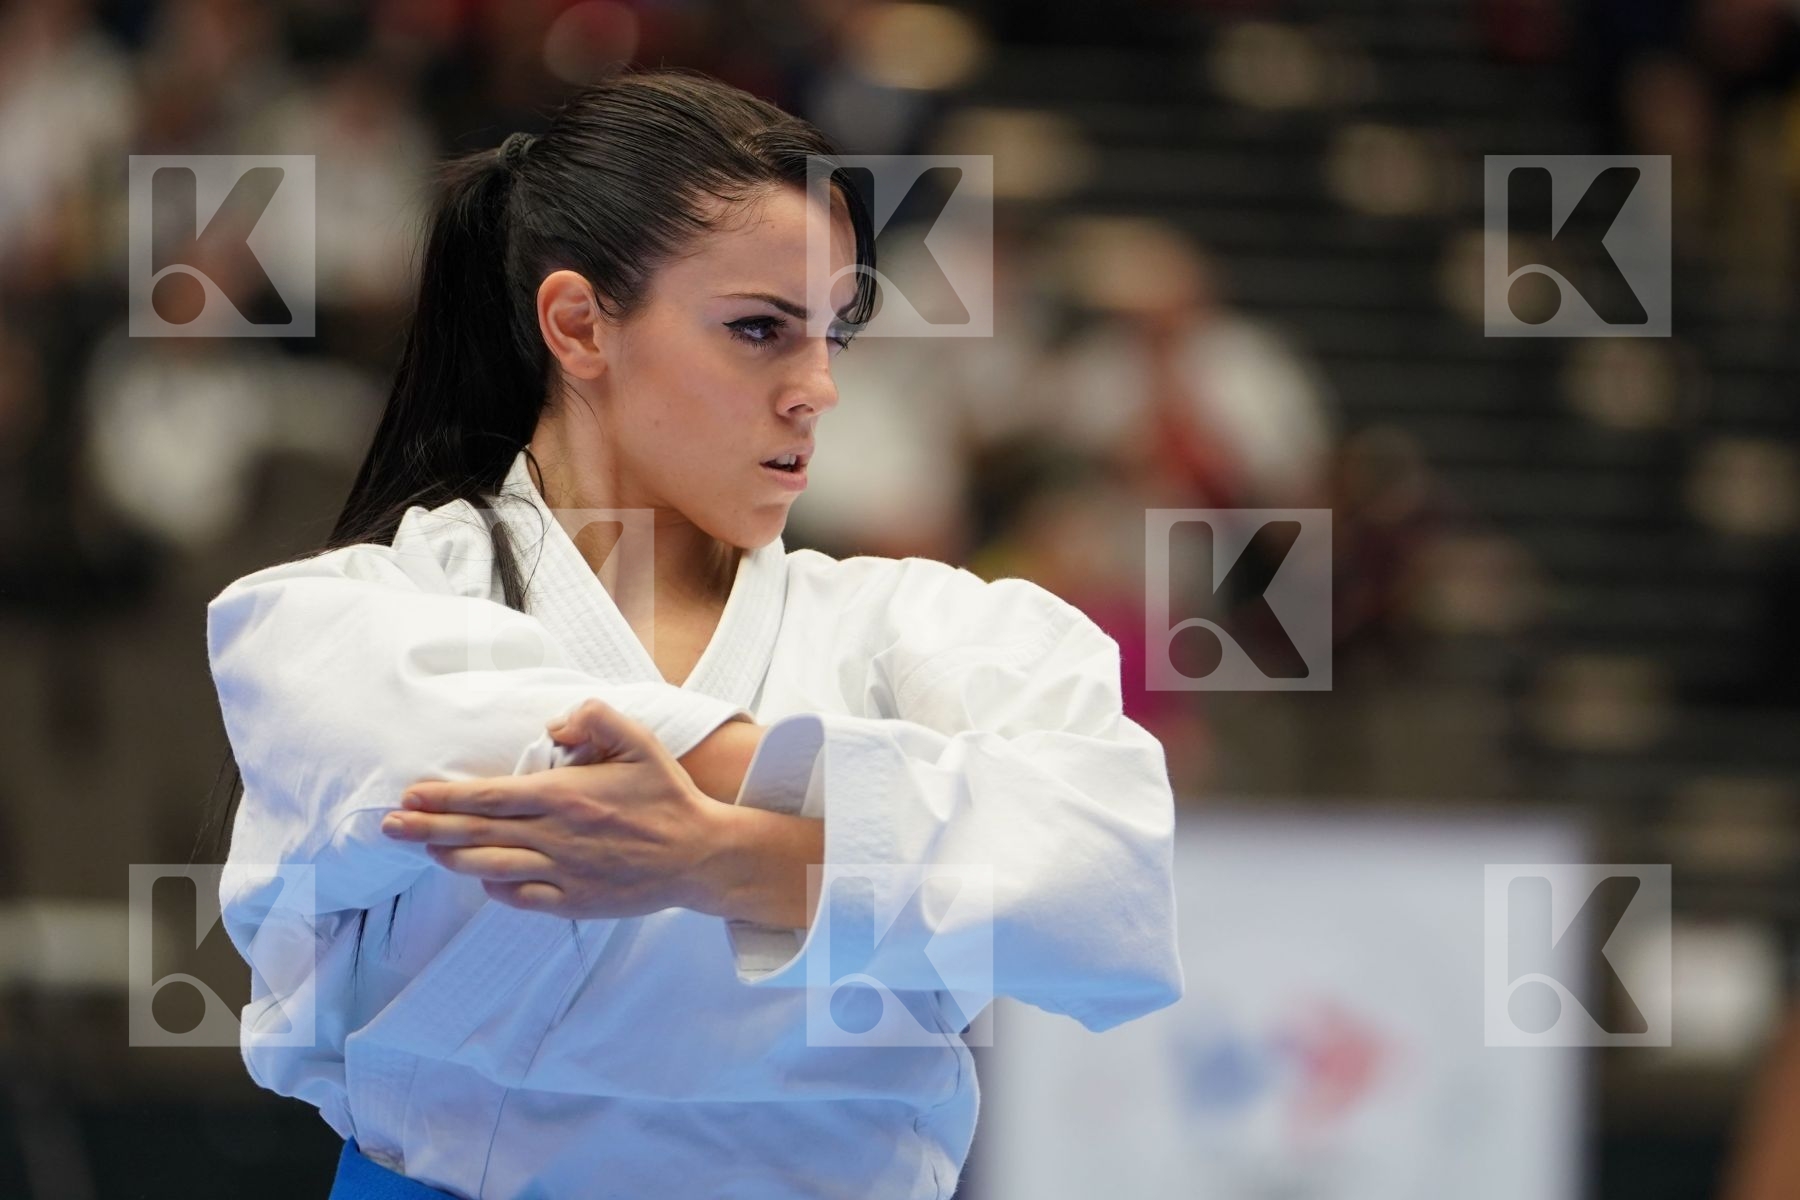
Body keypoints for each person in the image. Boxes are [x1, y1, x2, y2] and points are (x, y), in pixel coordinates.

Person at [202, 69, 1185, 1200]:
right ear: (579, 324)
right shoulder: (338, 617)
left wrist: (714, 854)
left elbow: (1109, 892)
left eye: (834, 335)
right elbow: (438, 739)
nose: (817, 389)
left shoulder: (926, 628)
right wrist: (818, 813)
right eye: (760, 329)